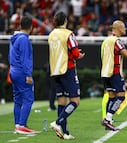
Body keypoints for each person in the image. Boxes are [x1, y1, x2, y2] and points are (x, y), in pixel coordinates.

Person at [48, 11, 85, 140]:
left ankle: (66, 133)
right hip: (67, 69)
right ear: (65, 21)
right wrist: (79, 55)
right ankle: (57, 123)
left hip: (55, 71)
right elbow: (74, 52)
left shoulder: (51, 35)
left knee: (61, 102)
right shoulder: (68, 34)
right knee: (75, 101)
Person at [101, 20, 127, 131]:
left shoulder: (106, 41)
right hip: (114, 72)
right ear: (119, 28)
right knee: (121, 96)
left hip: (105, 72)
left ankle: (108, 122)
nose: (125, 29)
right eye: (124, 27)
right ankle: (108, 118)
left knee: (111, 97)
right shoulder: (117, 41)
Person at [9, 16, 37, 134]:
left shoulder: (14, 38)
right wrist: (28, 75)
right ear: (31, 27)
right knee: (28, 98)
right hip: (21, 72)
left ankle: (18, 125)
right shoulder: (24, 40)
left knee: (18, 99)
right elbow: (25, 59)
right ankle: (22, 125)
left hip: (13, 70)